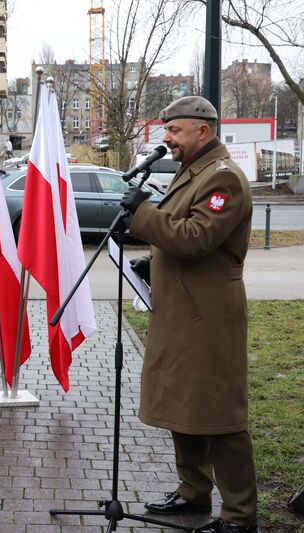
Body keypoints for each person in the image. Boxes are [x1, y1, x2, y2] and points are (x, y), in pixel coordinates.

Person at [120, 96, 257, 533]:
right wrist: (154, 260)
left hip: (209, 317)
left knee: (219, 414)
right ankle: (193, 490)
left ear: (204, 130)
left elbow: (197, 237)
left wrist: (141, 215)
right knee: (186, 406)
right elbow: (179, 231)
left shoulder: (224, 179)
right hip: (182, 311)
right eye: (166, 131)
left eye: (174, 131)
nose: (166, 138)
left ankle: (239, 515)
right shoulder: (193, 171)